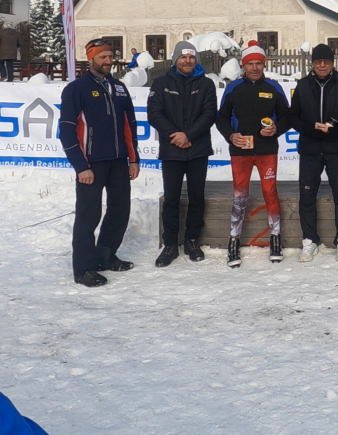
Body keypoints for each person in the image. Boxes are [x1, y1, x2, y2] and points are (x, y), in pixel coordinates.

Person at [58, 39, 140, 287]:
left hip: (118, 162)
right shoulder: (76, 89)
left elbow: (130, 126)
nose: (108, 61)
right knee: (88, 216)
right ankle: (83, 268)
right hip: (91, 164)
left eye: (110, 56)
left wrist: (133, 159)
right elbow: (67, 130)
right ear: (91, 58)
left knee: (119, 211)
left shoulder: (119, 87)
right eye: (102, 57)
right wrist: (80, 166)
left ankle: (105, 255)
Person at [216, 40, 289, 267]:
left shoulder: (274, 88)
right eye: (251, 64)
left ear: (263, 65)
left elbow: (288, 116)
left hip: (267, 150)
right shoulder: (233, 88)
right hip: (241, 151)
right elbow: (221, 118)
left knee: (270, 193)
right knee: (240, 197)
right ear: (243, 65)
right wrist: (230, 135)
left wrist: (277, 129)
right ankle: (234, 241)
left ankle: (276, 238)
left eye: (259, 63)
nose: (255, 68)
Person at [148, 41, 218, 267]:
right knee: (171, 198)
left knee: (197, 197)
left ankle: (191, 240)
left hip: (198, 150)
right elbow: (154, 114)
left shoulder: (206, 84)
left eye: (191, 57)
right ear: (175, 59)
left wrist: (188, 135)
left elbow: (209, 115)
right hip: (171, 150)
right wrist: (175, 135)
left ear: (195, 60)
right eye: (183, 57)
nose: (187, 61)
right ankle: (170, 244)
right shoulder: (161, 83)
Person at [288, 43, 338, 262]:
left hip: (336, 148)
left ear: (332, 63)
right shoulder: (302, 85)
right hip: (310, 149)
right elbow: (293, 116)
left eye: (326, 61)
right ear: (312, 64)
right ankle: (309, 240)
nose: (322, 65)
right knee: (307, 195)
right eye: (318, 61)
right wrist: (308, 130)